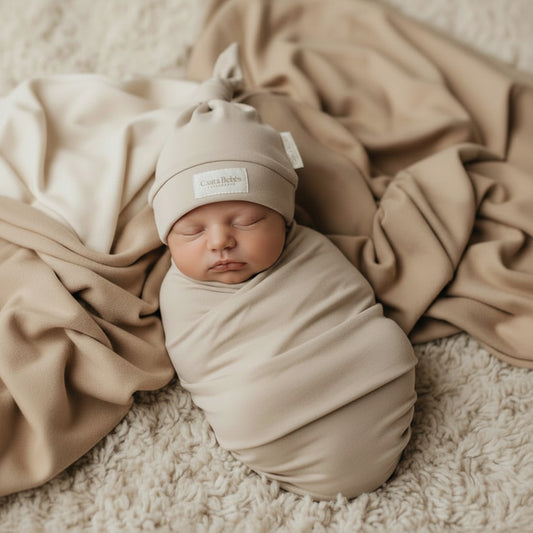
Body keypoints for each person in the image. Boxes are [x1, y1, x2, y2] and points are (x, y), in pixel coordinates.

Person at [148, 44, 417, 500]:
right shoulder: (177, 293)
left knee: (383, 343)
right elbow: (202, 365)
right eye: (192, 230)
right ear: (164, 237)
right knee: (248, 403)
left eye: (247, 221)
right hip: (265, 411)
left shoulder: (312, 250)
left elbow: (350, 304)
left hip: (367, 373)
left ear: (285, 219)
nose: (219, 242)